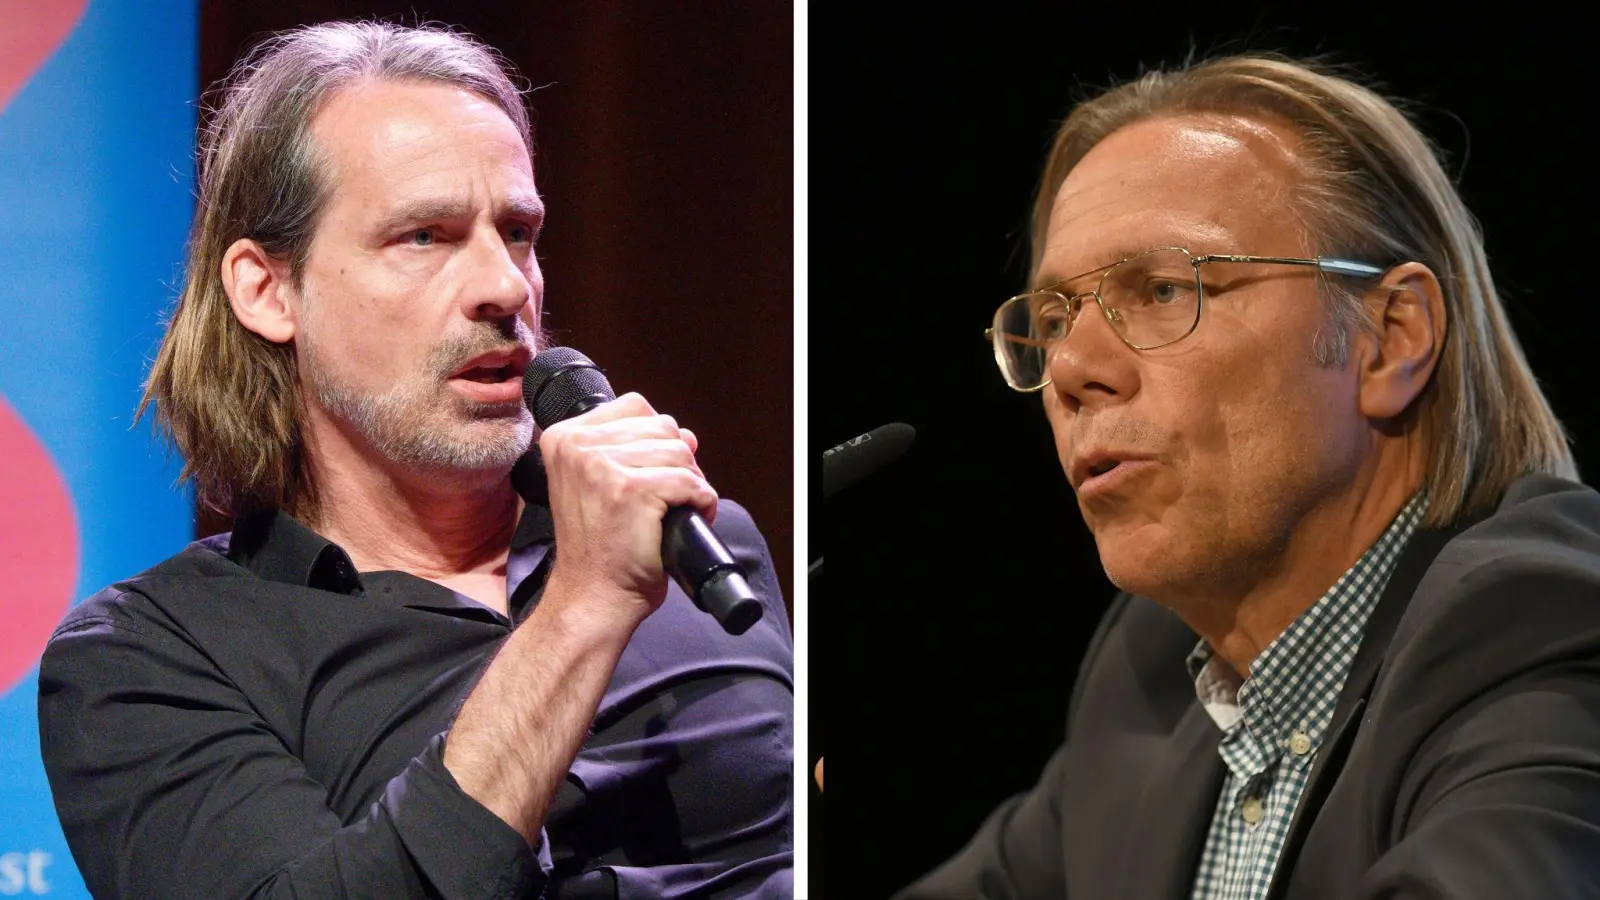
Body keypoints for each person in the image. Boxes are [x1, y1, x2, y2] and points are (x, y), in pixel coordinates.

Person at [37, 22, 792, 900]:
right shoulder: (150, 658)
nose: (506, 288)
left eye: (516, 231)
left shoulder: (700, 541)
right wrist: (583, 607)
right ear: (267, 289)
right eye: (424, 236)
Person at [887, 54, 1600, 898]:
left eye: (1161, 288)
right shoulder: (1149, 670)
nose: (1074, 367)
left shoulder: (1544, 628)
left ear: (1393, 337)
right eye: (1052, 319)